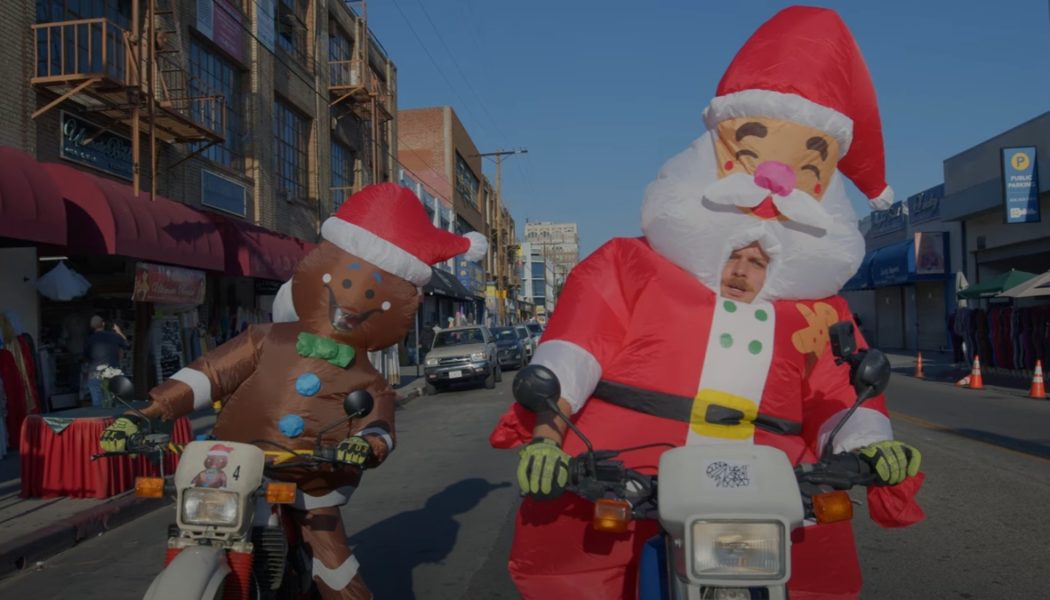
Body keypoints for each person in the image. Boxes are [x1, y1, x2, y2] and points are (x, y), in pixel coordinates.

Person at [489, 7, 924, 599]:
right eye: (736, 256)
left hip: (767, 489)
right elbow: (577, 347)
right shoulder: (630, 265)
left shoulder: (821, 312)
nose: (744, 270)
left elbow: (836, 392)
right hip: (631, 477)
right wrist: (546, 433)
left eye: (759, 261)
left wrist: (872, 447)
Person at [83, 315, 128, 407]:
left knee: (97, 403)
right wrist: (119, 331)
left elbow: (86, 358)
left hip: (94, 372)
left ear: (91, 327)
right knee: (115, 401)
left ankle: (100, 419)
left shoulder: (89, 339)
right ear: (103, 324)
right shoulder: (114, 336)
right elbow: (126, 344)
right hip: (112, 371)